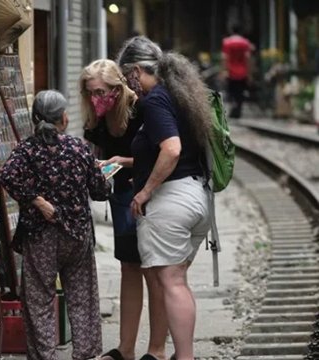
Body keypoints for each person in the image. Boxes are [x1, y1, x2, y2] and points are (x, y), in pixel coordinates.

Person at [116, 36, 213, 360]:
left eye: (126, 77)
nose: (129, 87)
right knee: (177, 282)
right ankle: (181, 354)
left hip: (171, 202)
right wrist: (137, 166)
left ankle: (185, 357)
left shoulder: (155, 99)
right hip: (197, 197)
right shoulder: (180, 95)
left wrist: (145, 191)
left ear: (135, 71)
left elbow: (171, 148)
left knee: (171, 283)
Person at [0, 90, 111, 360]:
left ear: (36, 118)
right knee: (82, 296)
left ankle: (45, 356)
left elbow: (8, 176)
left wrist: (37, 201)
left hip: (41, 236)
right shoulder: (78, 148)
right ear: (63, 118)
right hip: (76, 235)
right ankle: (84, 354)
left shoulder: (26, 150)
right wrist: (106, 177)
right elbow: (99, 191)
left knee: (38, 298)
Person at [79, 59, 161, 360]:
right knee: (128, 265)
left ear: (117, 88)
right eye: (90, 92)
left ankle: (157, 350)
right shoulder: (97, 117)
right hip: (122, 194)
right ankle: (125, 349)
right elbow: (95, 152)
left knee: (154, 269)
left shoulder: (141, 109)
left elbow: (162, 158)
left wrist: (122, 162)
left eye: (101, 92)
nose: (95, 98)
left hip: (149, 192)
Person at [222, 24, 253, 118]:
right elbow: (248, 58)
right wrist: (249, 73)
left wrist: (224, 71)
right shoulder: (245, 43)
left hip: (231, 71)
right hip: (242, 71)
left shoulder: (227, 42)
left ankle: (233, 107)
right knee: (240, 91)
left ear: (232, 31)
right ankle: (238, 108)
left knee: (231, 90)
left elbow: (224, 57)